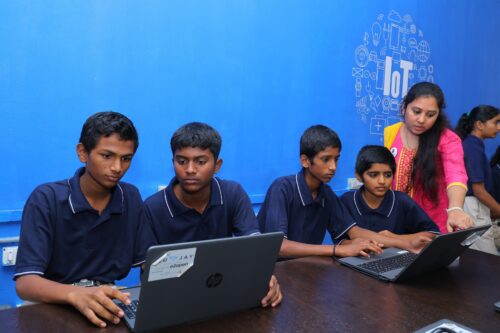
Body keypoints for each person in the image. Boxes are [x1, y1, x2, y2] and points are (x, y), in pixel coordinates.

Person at [14, 112, 155, 328]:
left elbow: (148, 263)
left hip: (106, 300)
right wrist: (77, 294)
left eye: (126, 159)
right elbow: (25, 283)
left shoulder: (131, 197)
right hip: (50, 301)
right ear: (82, 152)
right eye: (107, 156)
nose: (118, 167)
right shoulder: (46, 199)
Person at [144, 122, 282, 308]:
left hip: (221, 293)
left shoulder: (233, 193)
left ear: (217, 165)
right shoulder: (153, 207)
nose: (190, 169)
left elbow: (254, 247)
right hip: (172, 301)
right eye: (182, 161)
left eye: (201, 162)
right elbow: (148, 270)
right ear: (173, 162)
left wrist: (265, 277)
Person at [258, 125, 431, 259]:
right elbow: (279, 246)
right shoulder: (281, 188)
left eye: (336, 159)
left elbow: (355, 232)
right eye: (326, 159)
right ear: (305, 161)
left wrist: (405, 243)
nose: (333, 167)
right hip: (272, 273)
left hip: (304, 269)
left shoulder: (326, 193)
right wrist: (337, 249)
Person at [384, 82, 473, 234]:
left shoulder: (447, 139)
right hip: (395, 226)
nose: (421, 120)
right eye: (416, 111)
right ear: (404, 107)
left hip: (432, 226)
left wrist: (456, 208)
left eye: (430, 115)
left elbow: (456, 174)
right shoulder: (391, 133)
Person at [340, 145, 439, 240]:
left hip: (398, 257)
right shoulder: (347, 201)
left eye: (387, 175)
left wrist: (395, 237)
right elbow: (341, 242)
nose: (382, 181)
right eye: (373, 175)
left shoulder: (402, 201)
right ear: (358, 176)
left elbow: (433, 234)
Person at [455, 105, 500, 254]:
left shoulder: (475, 145)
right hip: (473, 208)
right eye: (496, 122)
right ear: (479, 124)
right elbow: (478, 191)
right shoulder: (472, 147)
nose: (499, 127)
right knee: (486, 260)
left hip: (478, 208)